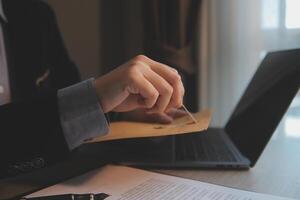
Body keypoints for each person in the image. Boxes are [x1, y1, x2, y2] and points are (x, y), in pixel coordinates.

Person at [0, 0, 185, 179]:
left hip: (52, 180)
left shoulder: (35, 14)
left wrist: (117, 111)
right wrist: (97, 97)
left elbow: (66, 95)